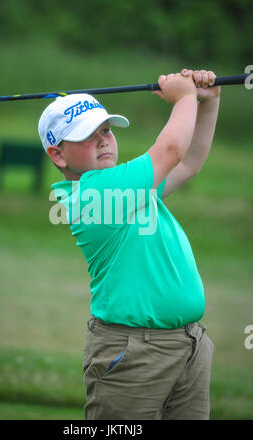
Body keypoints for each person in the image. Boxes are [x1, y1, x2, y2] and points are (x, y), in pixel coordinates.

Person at [38, 68, 221, 420]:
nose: (104, 140)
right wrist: (184, 98)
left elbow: (190, 161)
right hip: (133, 352)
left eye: (105, 130)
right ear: (58, 156)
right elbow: (169, 150)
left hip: (189, 344)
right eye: (88, 136)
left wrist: (207, 103)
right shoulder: (93, 195)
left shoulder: (127, 190)